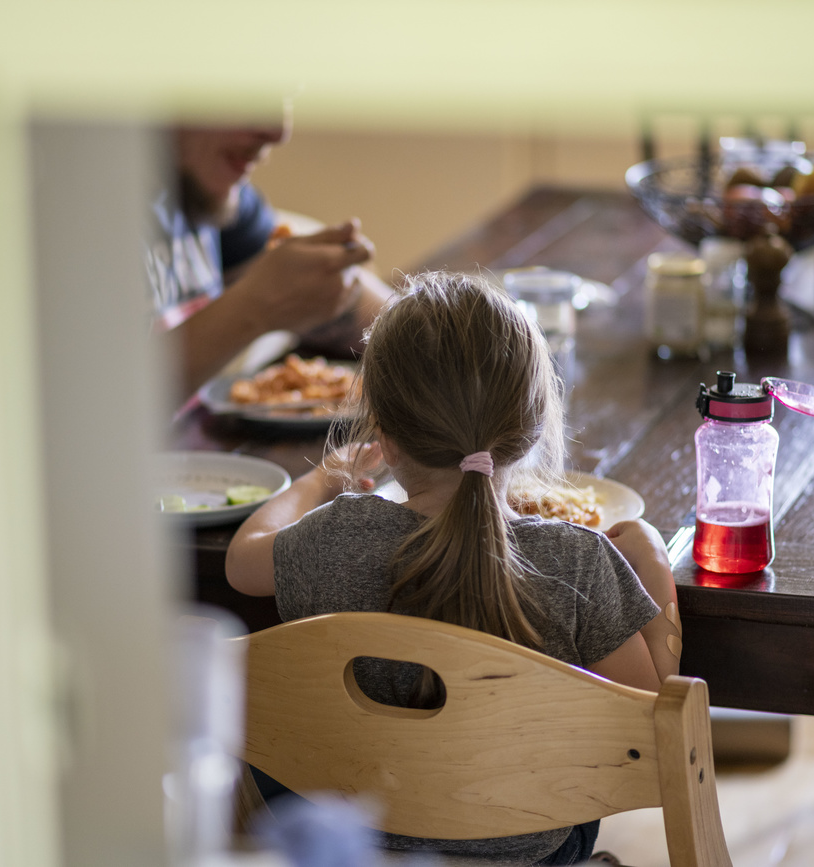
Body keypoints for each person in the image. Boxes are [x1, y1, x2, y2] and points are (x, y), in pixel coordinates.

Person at [225, 271, 681, 866]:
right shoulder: (579, 561)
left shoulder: (332, 536)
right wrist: (649, 561)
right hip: (532, 849)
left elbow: (242, 560)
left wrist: (320, 478)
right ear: (533, 426)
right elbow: (654, 719)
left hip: (355, 841)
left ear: (383, 438)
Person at [147, 116, 395, 406]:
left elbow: (364, 308)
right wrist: (253, 309)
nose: (279, 132)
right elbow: (92, 403)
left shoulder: (204, 189)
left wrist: (436, 337)